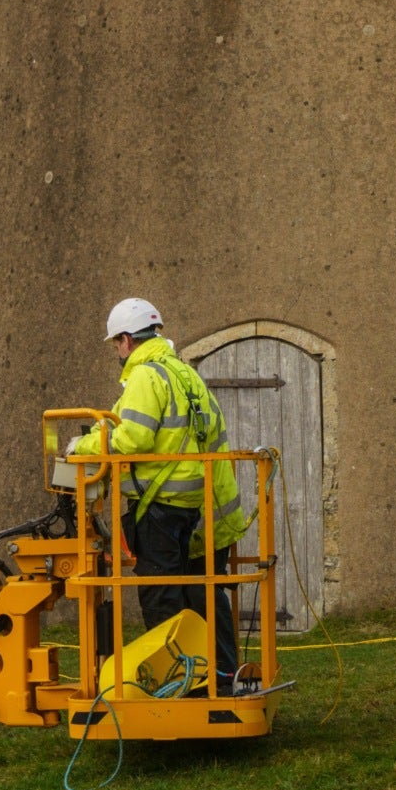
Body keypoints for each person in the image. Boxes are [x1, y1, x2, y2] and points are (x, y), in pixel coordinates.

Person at [72, 297, 253, 694]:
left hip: (160, 509)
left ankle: (177, 685)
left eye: (115, 344)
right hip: (198, 507)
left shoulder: (144, 376)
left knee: (162, 597)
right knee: (205, 595)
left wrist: (81, 447)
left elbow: (133, 438)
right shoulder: (186, 374)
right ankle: (223, 679)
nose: (116, 353)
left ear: (125, 339)